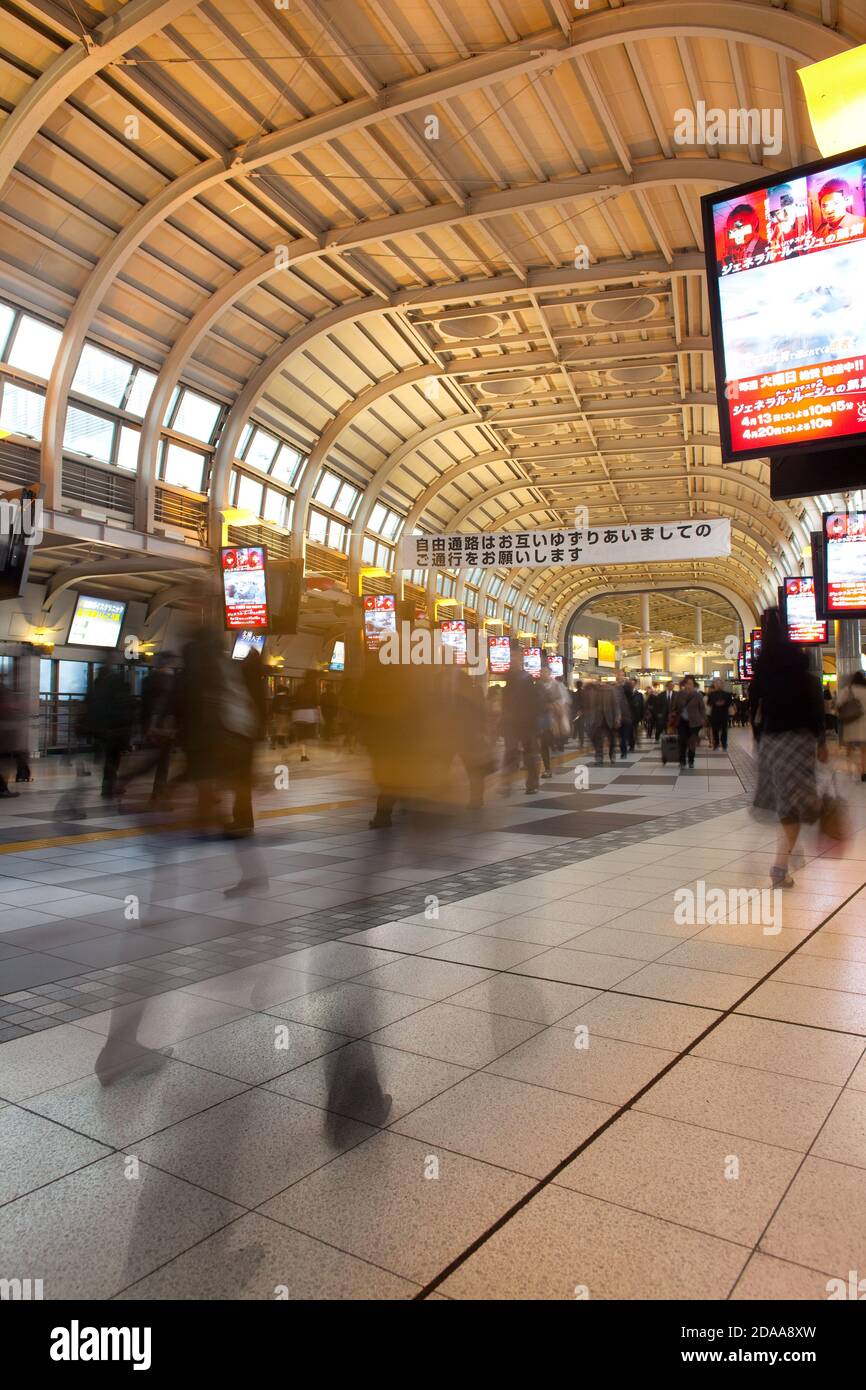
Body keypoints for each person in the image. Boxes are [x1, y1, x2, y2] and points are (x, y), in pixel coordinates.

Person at [749, 610, 827, 888]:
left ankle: (789, 850)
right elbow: (813, 701)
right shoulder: (798, 661)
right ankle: (781, 863)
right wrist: (822, 741)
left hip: (773, 739)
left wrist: (760, 739)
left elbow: (753, 705)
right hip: (800, 738)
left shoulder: (763, 665)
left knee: (787, 801)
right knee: (796, 803)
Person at [79, 655, 136, 799]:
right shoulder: (116, 682)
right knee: (113, 758)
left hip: (100, 728)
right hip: (113, 729)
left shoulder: (96, 685)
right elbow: (122, 707)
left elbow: (88, 704)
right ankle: (109, 786)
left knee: (108, 758)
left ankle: (108, 786)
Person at [502, 640, 540, 794]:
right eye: (511, 657)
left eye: (515, 657)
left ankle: (532, 784)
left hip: (526, 723)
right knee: (510, 752)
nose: (512, 660)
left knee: (529, 754)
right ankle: (507, 783)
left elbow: (532, 701)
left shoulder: (526, 677)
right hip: (512, 721)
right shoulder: (509, 677)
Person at [670, 674, 706, 770]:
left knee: (692, 742)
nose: (689, 686)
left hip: (695, 723)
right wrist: (673, 713)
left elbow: (702, 709)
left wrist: (703, 719)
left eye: (691, 684)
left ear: (694, 685)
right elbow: (674, 707)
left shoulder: (698, 695)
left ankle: (691, 760)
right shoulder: (679, 694)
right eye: (687, 683)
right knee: (682, 741)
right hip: (682, 721)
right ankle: (682, 760)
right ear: (684, 684)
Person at [837, 671, 866, 782]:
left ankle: (852, 770)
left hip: (851, 723)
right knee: (864, 751)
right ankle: (864, 772)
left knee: (849, 749)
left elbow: (839, 703)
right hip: (864, 724)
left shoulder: (848, 690)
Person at [585, 679, 620, 767]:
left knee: (611, 739)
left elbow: (615, 705)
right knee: (598, 740)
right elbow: (592, 706)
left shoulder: (611, 690)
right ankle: (599, 757)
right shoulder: (595, 691)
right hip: (598, 719)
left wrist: (617, 718)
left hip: (609, 719)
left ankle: (611, 755)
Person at [291, 669, 321, 762]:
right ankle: (298, 749)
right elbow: (316, 701)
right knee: (309, 736)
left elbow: (294, 698)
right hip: (309, 712)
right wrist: (319, 714)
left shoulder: (300, 687)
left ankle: (303, 755)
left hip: (298, 713)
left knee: (302, 736)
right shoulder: (314, 687)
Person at [706, 677, 734, 751]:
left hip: (724, 715)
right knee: (715, 730)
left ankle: (724, 744)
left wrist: (723, 703)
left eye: (720, 683)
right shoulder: (711, 694)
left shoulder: (727, 694)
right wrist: (716, 703)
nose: (718, 685)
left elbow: (729, 704)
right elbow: (709, 703)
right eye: (717, 683)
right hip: (714, 714)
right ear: (714, 685)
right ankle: (716, 744)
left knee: (724, 730)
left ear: (722, 685)